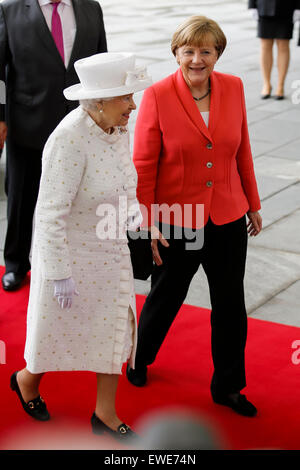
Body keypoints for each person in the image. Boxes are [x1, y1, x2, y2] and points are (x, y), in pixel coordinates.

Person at [10, 52, 152, 439]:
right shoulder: (68, 140)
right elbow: (49, 213)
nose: (133, 106)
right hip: (70, 254)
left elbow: (124, 185)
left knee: (113, 329)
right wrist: (58, 274)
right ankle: (26, 380)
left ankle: (105, 413)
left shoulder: (115, 128)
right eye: (126, 98)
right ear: (101, 100)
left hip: (109, 250)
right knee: (54, 329)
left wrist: (141, 228)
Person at [127, 16, 263, 418]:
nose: (197, 59)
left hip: (227, 215)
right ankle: (139, 358)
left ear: (218, 53)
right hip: (175, 219)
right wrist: (147, 222)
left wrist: (252, 202)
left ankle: (229, 387)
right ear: (176, 53)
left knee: (230, 304)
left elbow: (242, 151)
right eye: (189, 51)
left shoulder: (235, 87)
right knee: (166, 296)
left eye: (206, 51)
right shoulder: (156, 95)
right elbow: (144, 165)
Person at [0, 0, 107, 291]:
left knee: (81, 198)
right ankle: (16, 264)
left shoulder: (91, 8)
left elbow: (101, 63)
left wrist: (108, 113)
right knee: (21, 199)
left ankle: (75, 262)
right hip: (26, 122)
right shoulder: (8, 10)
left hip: (78, 123)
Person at [248, 0, 300, 99]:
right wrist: (252, 5)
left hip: (287, 7)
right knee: (265, 44)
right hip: (264, 6)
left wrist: (298, 7)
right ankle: (266, 84)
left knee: (283, 45)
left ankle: (280, 85)